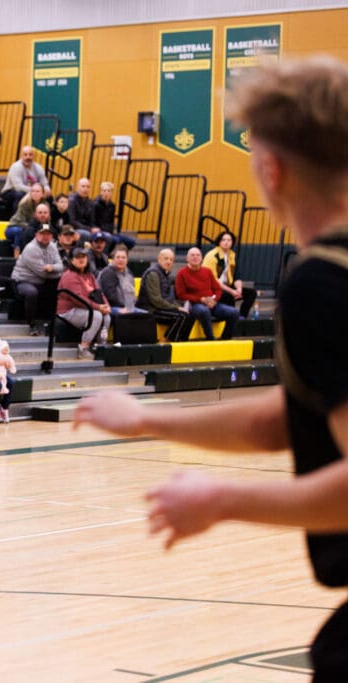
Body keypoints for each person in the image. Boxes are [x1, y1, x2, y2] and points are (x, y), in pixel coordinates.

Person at [73, 55, 348, 682]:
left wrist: (223, 498)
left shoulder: (320, 283)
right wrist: (149, 420)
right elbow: (292, 416)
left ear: (271, 171)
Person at [57, 247, 111, 359]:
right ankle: (83, 348)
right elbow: (78, 299)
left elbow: (99, 292)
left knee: (107, 316)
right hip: (68, 310)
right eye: (77, 257)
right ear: (72, 260)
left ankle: (100, 347)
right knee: (95, 315)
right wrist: (98, 307)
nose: (81, 260)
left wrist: (106, 305)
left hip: (85, 308)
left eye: (83, 257)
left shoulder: (89, 275)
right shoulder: (69, 275)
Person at [175, 246, 239, 340]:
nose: (195, 257)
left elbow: (217, 289)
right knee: (204, 311)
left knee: (234, 312)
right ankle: (210, 338)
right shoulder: (181, 274)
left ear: (201, 258)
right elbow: (181, 295)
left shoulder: (207, 271)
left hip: (211, 303)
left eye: (198, 255)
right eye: (192, 255)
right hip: (194, 304)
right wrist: (201, 299)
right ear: (187, 258)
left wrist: (214, 300)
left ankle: (225, 338)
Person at [11, 225, 63, 335]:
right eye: (42, 233)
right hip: (23, 281)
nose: (45, 236)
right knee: (32, 292)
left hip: (41, 282)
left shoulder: (53, 246)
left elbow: (60, 266)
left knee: (61, 286)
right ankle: (31, 324)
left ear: (51, 236)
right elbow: (43, 273)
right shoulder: (31, 248)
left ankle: (54, 322)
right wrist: (57, 272)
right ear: (36, 235)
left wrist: (52, 268)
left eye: (47, 234)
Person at [136, 248, 193, 342]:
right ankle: (165, 342)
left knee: (190, 315)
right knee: (182, 316)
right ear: (159, 259)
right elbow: (156, 300)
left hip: (159, 307)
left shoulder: (165, 274)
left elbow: (167, 298)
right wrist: (177, 308)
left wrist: (178, 305)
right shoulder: (153, 274)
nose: (169, 262)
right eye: (166, 258)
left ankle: (181, 342)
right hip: (149, 309)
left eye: (171, 259)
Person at [202, 230, 258, 318]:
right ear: (219, 242)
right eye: (223, 240)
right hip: (213, 289)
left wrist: (238, 289)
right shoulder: (212, 256)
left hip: (227, 287)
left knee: (251, 293)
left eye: (229, 240)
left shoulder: (232, 255)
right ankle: (231, 317)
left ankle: (242, 317)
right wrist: (232, 291)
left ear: (232, 242)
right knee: (228, 296)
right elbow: (213, 281)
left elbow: (236, 276)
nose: (226, 242)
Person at [1, 145, 51, 213]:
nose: (28, 157)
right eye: (25, 155)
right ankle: (16, 220)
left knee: (49, 197)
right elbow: (18, 187)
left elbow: (45, 183)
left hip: (32, 192)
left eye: (30, 155)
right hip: (10, 192)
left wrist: (47, 190)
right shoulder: (16, 167)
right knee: (20, 195)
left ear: (33, 156)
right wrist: (36, 192)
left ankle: (45, 222)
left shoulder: (39, 168)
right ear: (21, 156)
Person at [96, 245, 144, 316]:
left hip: (127, 307)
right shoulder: (108, 272)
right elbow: (111, 297)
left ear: (127, 260)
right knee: (138, 316)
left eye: (123, 257)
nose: (120, 260)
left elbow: (132, 293)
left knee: (146, 315)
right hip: (111, 307)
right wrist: (126, 306)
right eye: (118, 257)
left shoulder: (129, 273)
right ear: (113, 259)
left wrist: (131, 306)